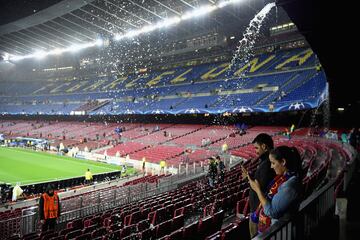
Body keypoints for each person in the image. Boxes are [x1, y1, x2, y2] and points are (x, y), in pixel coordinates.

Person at [244, 146, 303, 235]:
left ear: (283, 162)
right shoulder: (283, 177)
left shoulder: (289, 186)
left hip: (278, 232)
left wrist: (257, 189)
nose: (271, 166)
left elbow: (271, 212)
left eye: (273, 163)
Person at [242, 133, 275, 238]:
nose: (255, 151)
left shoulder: (266, 164)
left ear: (264, 147)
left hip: (259, 212)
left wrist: (248, 177)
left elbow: (260, 188)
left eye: (257, 148)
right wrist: (249, 175)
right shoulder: (266, 161)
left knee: (256, 236)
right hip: (259, 210)